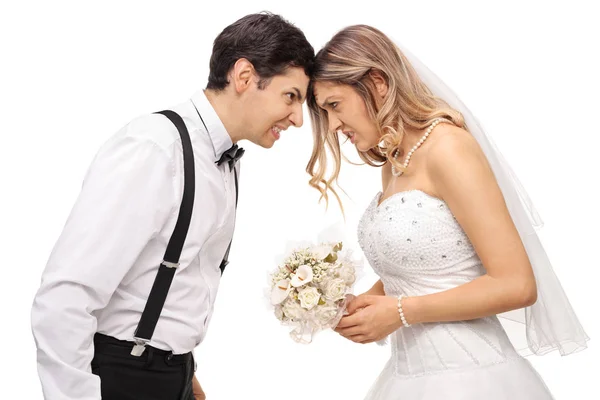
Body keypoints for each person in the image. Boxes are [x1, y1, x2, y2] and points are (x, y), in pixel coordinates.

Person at [31, 12, 313, 400]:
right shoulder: (155, 148)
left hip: (172, 376)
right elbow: (65, 296)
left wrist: (185, 375)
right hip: (122, 377)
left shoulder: (223, 159)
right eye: (291, 96)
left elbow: (176, 281)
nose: (298, 118)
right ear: (245, 76)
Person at [306, 24, 588, 399]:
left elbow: (517, 284)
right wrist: (366, 304)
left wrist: (400, 313)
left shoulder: (448, 148)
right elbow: (423, 268)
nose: (334, 125)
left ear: (378, 82)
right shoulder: (395, 159)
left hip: (471, 379)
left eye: (335, 106)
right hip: (408, 376)